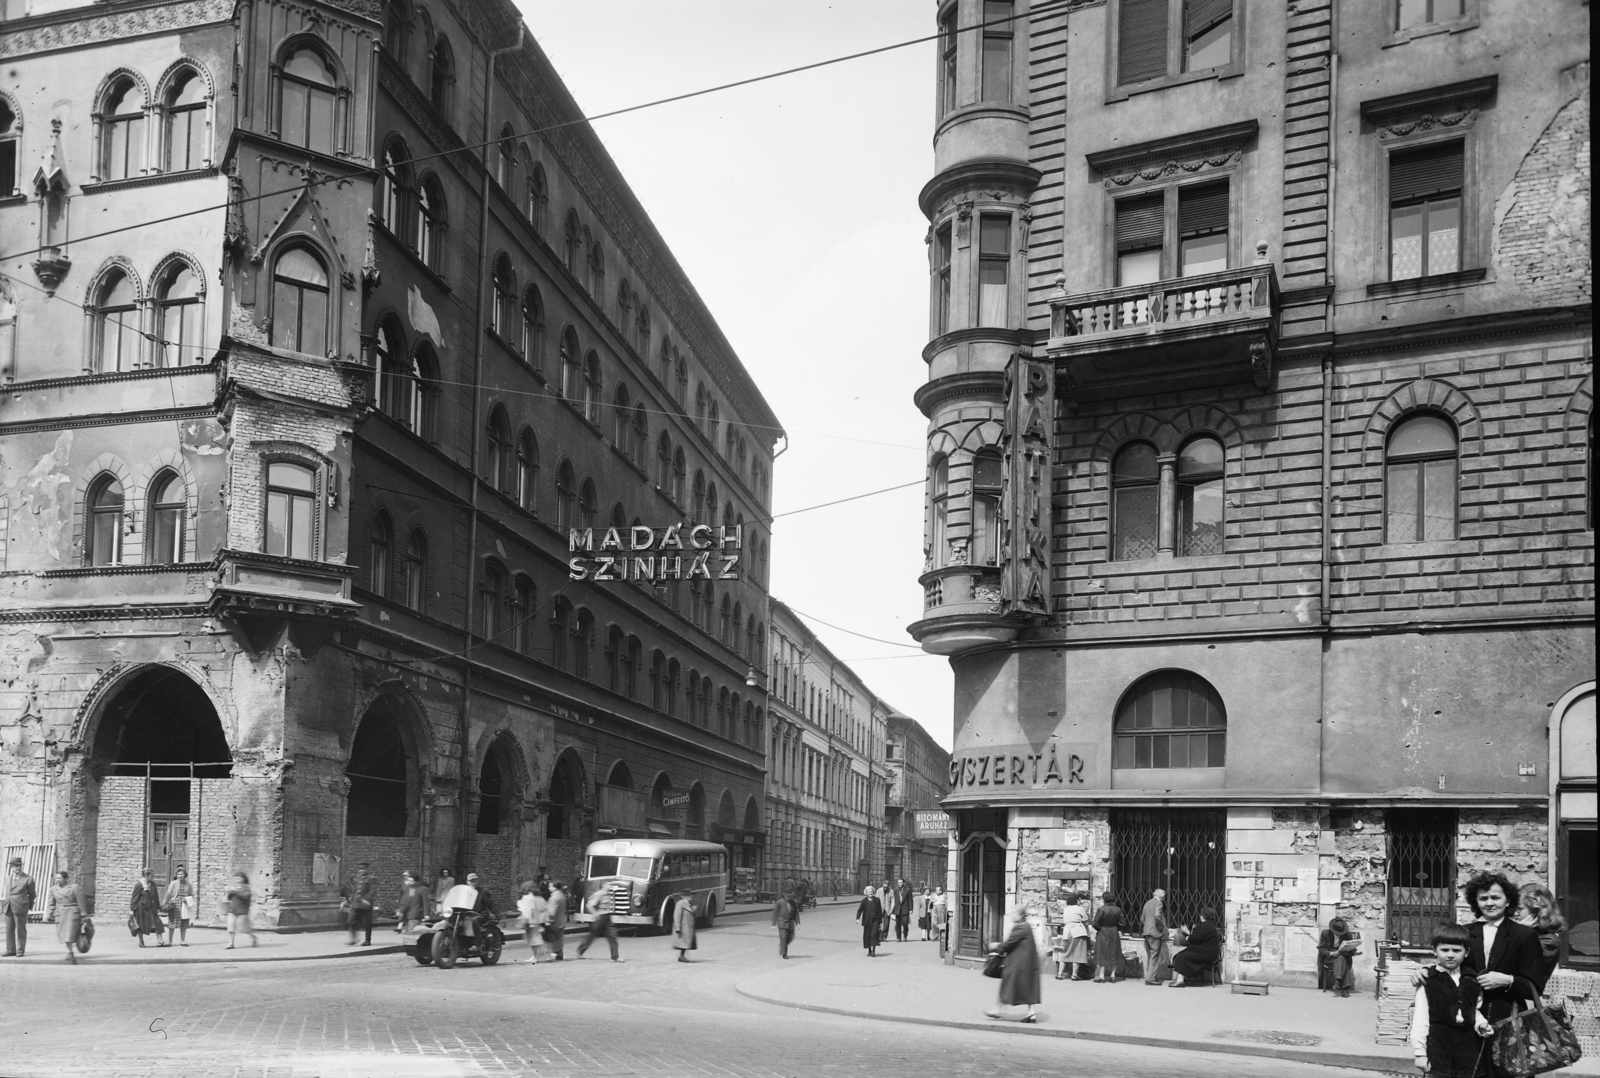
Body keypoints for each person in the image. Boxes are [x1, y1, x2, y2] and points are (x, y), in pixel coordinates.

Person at [1461, 872, 1547, 1041]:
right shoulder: (1464, 932)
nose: (1490, 903)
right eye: (1483, 898)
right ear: (1475, 902)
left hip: (1509, 1020)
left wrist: (1507, 980)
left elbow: (1535, 988)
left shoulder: (1524, 935)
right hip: (1470, 1018)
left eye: (1495, 897)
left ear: (1507, 901)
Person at [1409, 922, 1492, 1078]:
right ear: (1435, 951)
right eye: (1444, 950)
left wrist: (1480, 1024)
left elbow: (1474, 1009)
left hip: (1468, 1047)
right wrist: (1420, 1053)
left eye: (1456, 950)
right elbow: (1421, 1018)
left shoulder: (1472, 979)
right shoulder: (1428, 979)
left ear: (1466, 952)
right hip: (1439, 1045)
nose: (1450, 955)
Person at [987, 904, 1043, 1023]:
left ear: (1020, 915)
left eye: (1014, 914)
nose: (1011, 916)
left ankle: (997, 1010)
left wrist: (996, 946)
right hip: (1027, 963)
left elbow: (1009, 943)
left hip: (1018, 964)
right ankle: (1031, 1013)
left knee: (1006, 985)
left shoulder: (1021, 927)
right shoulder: (1025, 926)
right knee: (1029, 987)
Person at [1515, 882, 1567, 984]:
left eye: (1520, 909)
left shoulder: (1549, 942)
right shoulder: (1525, 932)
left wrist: (1519, 931)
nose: (1515, 913)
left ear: (1537, 911)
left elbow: (1516, 967)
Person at [1169, 906, 1222, 987]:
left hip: (1205, 954)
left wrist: (1187, 937)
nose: (1200, 916)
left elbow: (1196, 937)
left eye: (1201, 915)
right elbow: (1198, 936)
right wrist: (1188, 933)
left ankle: (1180, 980)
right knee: (1180, 955)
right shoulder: (1208, 925)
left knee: (1182, 957)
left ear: (1204, 916)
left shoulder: (1207, 926)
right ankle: (1181, 979)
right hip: (1204, 952)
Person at [46, 870, 84, 965]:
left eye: (60, 878)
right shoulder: (53, 889)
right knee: (65, 935)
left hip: (72, 913)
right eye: (56, 878)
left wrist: (84, 914)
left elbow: (80, 901)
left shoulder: (74, 887)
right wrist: (48, 914)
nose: (57, 880)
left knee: (69, 935)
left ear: (66, 878)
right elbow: (51, 903)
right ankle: (70, 952)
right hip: (60, 914)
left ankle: (71, 952)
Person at [576, 887, 622, 962]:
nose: (611, 885)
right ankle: (581, 950)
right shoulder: (599, 894)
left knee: (613, 936)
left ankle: (615, 957)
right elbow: (589, 905)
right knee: (593, 935)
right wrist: (595, 913)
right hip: (601, 918)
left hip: (607, 917)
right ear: (604, 885)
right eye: (609, 884)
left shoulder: (609, 894)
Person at [4, 855, 37, 957]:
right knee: (9, 929)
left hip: (20, 907)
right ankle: (10, 950)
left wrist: (26, 904)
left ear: (21, 866)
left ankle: (20, 950)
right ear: (11, 867)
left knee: (20, 929)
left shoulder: (28, 879)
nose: (17, 868)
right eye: (15, 866)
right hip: (8, 906)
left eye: (19, 866)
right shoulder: (7, 878)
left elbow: (32, 895)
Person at [1318, 917, 1360, 996]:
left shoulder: (1348, 934)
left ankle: (1338, 981)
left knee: (1342, 958)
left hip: (1343, 956)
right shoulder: (1325, 933)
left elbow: (1351, 950)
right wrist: (1331, 953)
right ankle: (1344, 988)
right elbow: (1321, 948)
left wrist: (1354, 952)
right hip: (1329, 958)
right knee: (1344, 964)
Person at [1091, 892, 1124, 983]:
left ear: (1104, 899)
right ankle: (1112, 975)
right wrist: (1116, 927)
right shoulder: (1118, 909)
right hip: (1114, 932)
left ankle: (1101, 976)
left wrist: (1100, 929)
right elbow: (1123, 923)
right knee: (1114, 952)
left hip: (1103, 931)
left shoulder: (1101, 909)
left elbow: (1095, 924)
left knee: (1102, 952)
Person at [1057, 893, 1090, 980]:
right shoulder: (1080, 909)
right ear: (1077, 900)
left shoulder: (1066, 909)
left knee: (1065, 952)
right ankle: (1074, 974)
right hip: (1078, 931)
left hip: (1067, 931)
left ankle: (1060, 973)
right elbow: (1086, 920)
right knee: (1078, 953)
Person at [516, 880, 549, 963]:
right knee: (534, 939)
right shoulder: (538, 897)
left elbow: (531, 910)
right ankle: (536, 955)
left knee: (534, 940)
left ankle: (545, 953)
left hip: (532, 921)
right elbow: (544, 907)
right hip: (537, 921)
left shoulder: (529, 897)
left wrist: (532, 921)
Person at [1141, 888, 1168, 985]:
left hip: (1147, 932)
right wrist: (1161, 927)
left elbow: (1142, 918)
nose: (1164, 898)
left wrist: (1148, 926)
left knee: (1150, 955)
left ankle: (1150, 976)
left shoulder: (1147, 903)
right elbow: (1157, 916)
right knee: (1155, 956)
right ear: (1161, 896)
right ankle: (1150, 979)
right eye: (1164, 896)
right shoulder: (1159, 903)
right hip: (1155, 932)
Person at [131, 868, 164, 948]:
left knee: (157, 923)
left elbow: (155, 897)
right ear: (146, 875)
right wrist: (132, 910)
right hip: (141, 909)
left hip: (152, 909)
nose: (153, 877)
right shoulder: (139, 885)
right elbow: (134, 898)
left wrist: (157, 907)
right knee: (140, 925)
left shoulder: (153, 884)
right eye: (152, 875)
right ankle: (141, 942)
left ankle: (160, 941)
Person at [162, 864, 194, 946]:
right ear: (176, 875)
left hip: (184, 905)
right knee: (172, 923)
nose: (180, 876)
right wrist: (164, 903)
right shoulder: (173, 883)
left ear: (185, 875)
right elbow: (169, 894)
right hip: (175, 905)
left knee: (183, 923)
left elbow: (191, 895)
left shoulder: (189, 884)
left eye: (182, 874)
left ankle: (182, 941)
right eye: (178, 874)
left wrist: (187, 899)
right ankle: (170, 941)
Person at [344, 862, 375, 946]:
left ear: (367, 869)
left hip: (366, 905)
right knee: (351, 921)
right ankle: (354, 938)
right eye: (360, 869)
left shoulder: (371, 879)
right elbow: (354, 891)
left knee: (367, 923)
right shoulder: (357, 879)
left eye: (363, 869)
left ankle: (367, 940)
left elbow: (372, 891)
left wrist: (367, 900)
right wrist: (350, 900)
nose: (361, 871)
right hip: (356, 904)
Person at [225, 872, 256, 949]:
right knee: (230, 926)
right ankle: (231, 943)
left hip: (242, 910)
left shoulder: (246, 888)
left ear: (243, 879)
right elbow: (229, 898)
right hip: (232, 909)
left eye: (239, 878)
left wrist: (234, 891)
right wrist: (229, 893)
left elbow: (245, 896)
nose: (237, 880)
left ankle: (253, 937)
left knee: (244, 929)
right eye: (236, 878)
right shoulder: (233, 886)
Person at [773, 889, 801, 959]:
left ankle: (782, 946)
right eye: (788, 896)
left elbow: (796, 914)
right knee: (783, 937)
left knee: (791, 937)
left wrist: (798, 923)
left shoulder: (793, 902)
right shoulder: (779, 902)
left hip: (790, 922)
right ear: (784, 895)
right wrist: (773, 924)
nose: (789, 898)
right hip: (782, 922)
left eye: (790, 896)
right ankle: (784, 954)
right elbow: (775, 913)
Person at [856, 886, 883, 957]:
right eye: (869, 892)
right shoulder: (864, 901)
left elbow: (880, 911)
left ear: (873, 892)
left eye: (871, 891)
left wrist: (880, 922)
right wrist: (857, 918)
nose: (870, 893)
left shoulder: (877, 900)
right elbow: (860, 910)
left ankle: (874, 951)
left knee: (874, 934)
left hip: (875, 920)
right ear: (866, 893)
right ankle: (869, 950)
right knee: (867, 935)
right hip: (867, 921)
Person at [671, 893, 697, 963]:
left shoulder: (689, 904)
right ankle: (681, 956)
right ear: (684, 896)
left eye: (691, 895)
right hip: (683, 927)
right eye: (688, 895)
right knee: (684, 943)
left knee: (686, 943)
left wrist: (693, 910)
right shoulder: (680, 903)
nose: (690, 896)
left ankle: (682, 956)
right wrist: (677, 927)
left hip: (687, 927)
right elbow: (677, 915)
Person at [546, 880, 568, 961]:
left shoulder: (554, 897)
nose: (549, 888)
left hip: (554, 922)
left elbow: (552, 912)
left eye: (550, 886)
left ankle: (554, 954)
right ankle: (559, 954)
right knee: (559, 939)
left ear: (554, 888)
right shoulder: (562, 896)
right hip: (561, 921)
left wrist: (548, 919)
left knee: (552, 939)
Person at [894, 878, 914, 942]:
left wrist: (911, 909)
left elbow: (910, 900)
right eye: (898, 882)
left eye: (900, 882)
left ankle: (905, 936)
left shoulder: (908, 890)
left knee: (905, 923)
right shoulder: (896, 890)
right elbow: (893, 900)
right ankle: (898, 938)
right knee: (898, 924)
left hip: (905, 909)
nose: (899, 883)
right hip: (897, 909)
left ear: (903, 883)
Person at [932, 887, 949, 954]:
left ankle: (942, 936)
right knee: (933, 922)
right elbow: (931, 902)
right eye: (936, 890)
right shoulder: (933, 895)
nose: (936, 891)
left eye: (937, 890)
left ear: (941, 890)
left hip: (941, 907)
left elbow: (946, 903)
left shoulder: (944, 895)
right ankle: (935, 935)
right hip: (934, 907)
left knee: (941, 922)